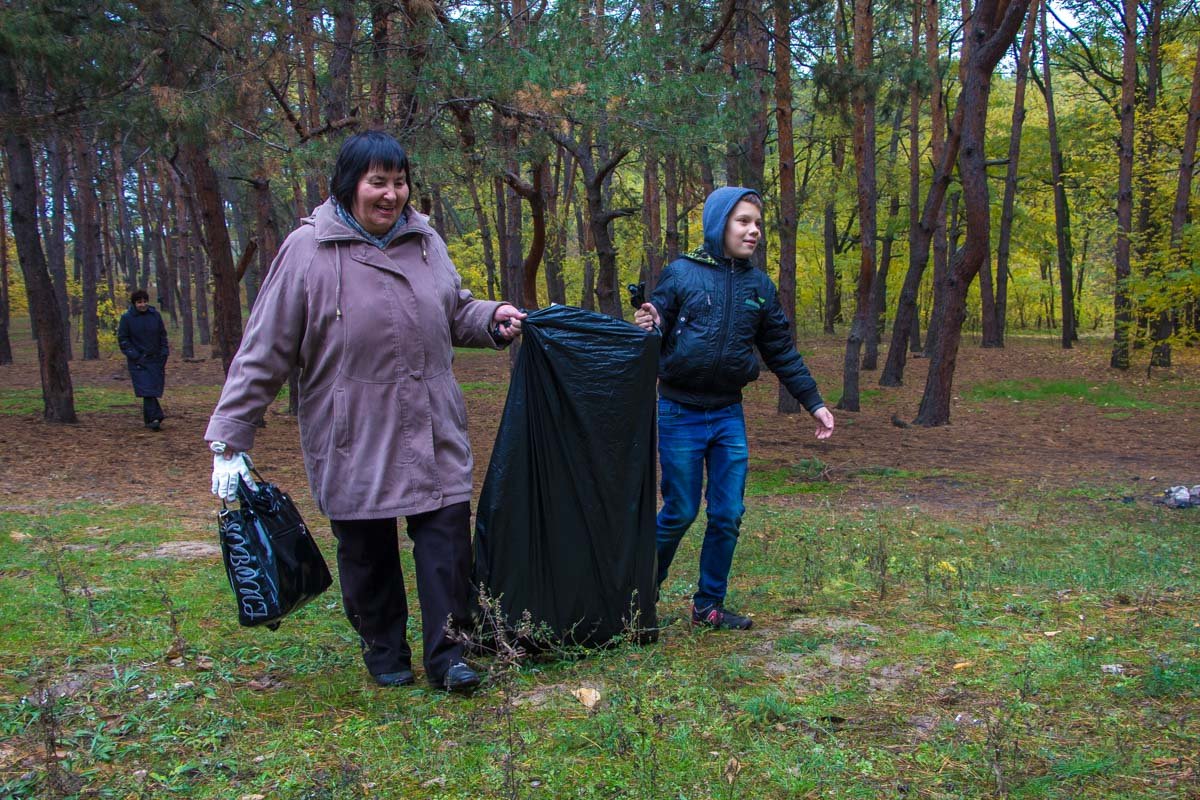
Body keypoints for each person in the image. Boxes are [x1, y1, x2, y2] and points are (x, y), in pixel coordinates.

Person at [204, 130, 526, 693]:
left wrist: (491, 316)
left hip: (431, 420)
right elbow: (266, 347)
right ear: (349, 185)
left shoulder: (427, 241)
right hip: (352, 428)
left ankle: (449, 654)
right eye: (378, 182)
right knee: (367, 551)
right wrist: (232, 436)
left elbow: (452, 311)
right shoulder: (308, 250)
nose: (391, 195)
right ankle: (384, 650)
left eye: (399, 182)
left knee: (447, 541)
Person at [634, 186, 835, 630]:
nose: (754, 231)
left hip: (728, 414)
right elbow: (657, 319)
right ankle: (638, 599)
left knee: (727, 513)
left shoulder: (758, 287)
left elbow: (781, 350)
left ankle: (709, 605)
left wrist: (813, 403)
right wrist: (650, 319)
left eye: (758, 223)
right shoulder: (682, 273)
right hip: (679, 413)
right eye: (743, 221)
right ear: (719, 223)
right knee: (680, 510)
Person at [117, 289, 169, 430]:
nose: (142, 304)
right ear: (134, 303)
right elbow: (123, 339)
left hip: (156, 359)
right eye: (139, 302)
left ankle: (150, 420)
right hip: (139, 361)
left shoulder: (155, 316)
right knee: (147, 390)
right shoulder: (127, 318)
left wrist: (164, 353)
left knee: (152, 389)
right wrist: (135, 355)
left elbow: (162, 335)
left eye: (145, 301)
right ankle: (155, 418)